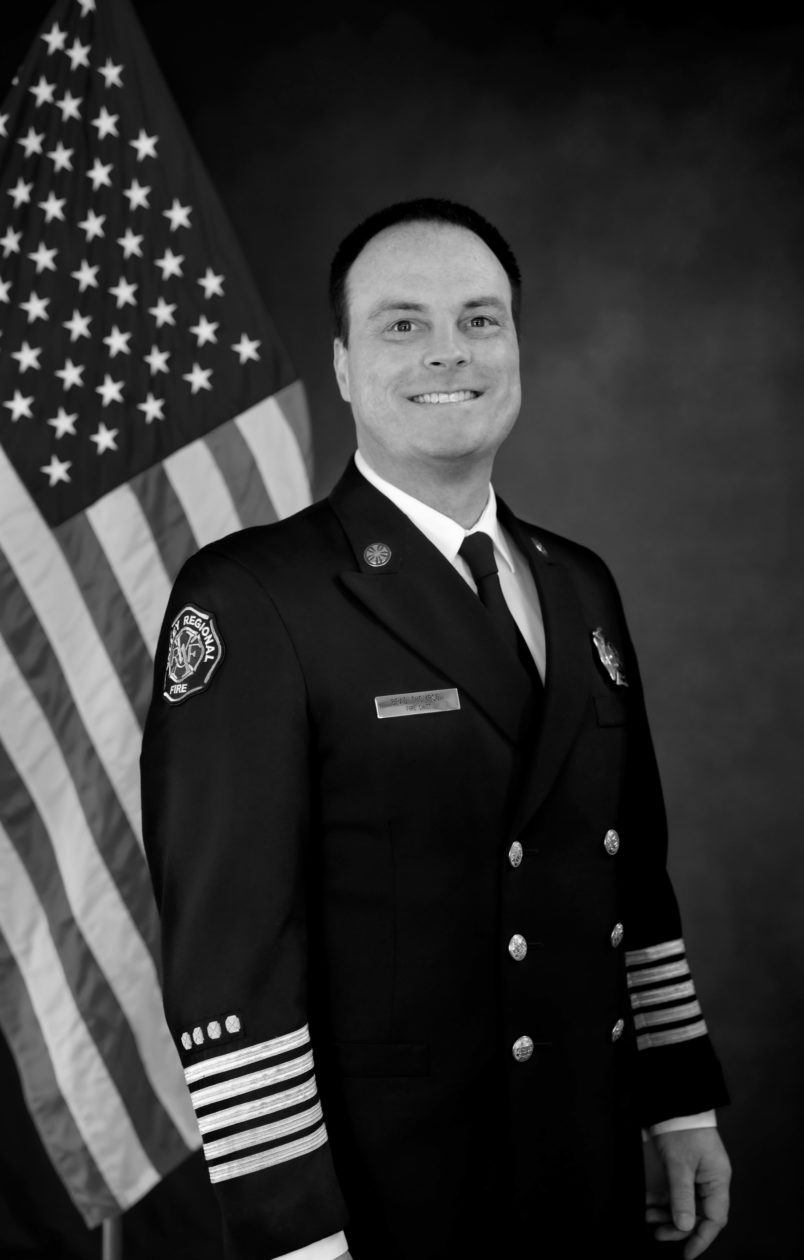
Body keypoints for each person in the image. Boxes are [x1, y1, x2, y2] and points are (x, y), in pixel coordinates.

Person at [141, 198, 732, 1260]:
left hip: (589, 1171)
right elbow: (231, 951)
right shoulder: (253, 599)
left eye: (480, 320)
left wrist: (677, 1103)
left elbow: (631, 873)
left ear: (515, 346)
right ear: (342, 364)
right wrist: (293, 1229)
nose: (447, 352)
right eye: (402, 324)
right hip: (391, 1202)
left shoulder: (580, 583)